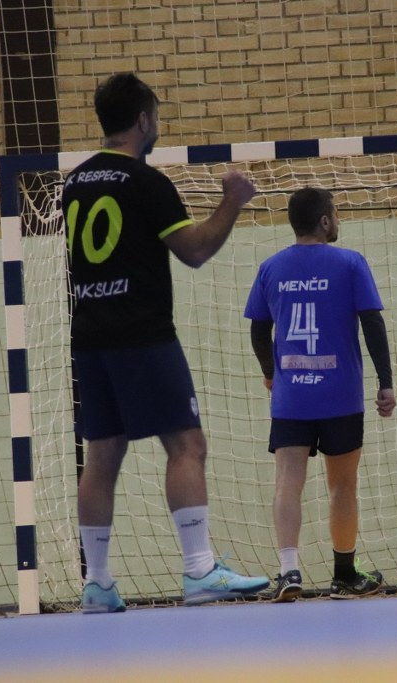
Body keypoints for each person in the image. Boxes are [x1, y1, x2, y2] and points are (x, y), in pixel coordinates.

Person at [62, 72, 269, 613]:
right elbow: (194, 250)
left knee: (102, 455)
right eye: (155, 116)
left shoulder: (74, 183)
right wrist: (232, 201)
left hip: (89, 337)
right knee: (186, 445)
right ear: (143, 119)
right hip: (142, 334)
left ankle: (97, 584)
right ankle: (200, 570)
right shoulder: (145, 181)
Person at [244, 186, 397, 602]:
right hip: (340, 395)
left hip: (292, 396)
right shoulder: (350, 263)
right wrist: (385, 381)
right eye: (336, 213)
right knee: (342, 486)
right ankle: (344, 576)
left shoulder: (271, 267)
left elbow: (258, 330)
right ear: (325, 220)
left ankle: (289, 572)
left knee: (287, 483)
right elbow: (372, 324)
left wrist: (271, 374)